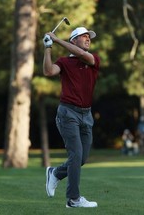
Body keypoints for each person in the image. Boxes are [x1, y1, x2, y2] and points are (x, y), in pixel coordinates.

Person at [42, 26, 100, 208]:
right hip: (68, 113)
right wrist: (48, 47)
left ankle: (56, 173)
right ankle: (73, 199)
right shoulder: (64, 62)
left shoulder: (93, 59)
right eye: (83, 37)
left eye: (89, 37)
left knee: (81, 158)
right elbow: (49, 72)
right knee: (75, 154)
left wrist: (57, 40)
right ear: (73, 40)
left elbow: (84, 56)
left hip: (87, 114)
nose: (88, 39)